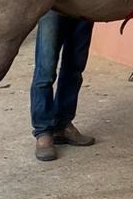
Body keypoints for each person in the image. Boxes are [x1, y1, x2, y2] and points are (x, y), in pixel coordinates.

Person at [30, 9, 96, 161]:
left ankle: (63, 124)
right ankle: (43, 132)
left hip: (85, 2)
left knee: (75, 67)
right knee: (45, 70)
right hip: (53, 3)